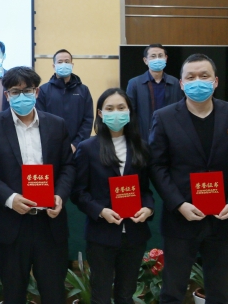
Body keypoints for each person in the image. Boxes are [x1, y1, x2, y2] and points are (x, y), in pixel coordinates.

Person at [150, 54, 228, 304]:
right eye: (191, 77)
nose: (198, 81)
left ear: (215, 81)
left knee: (219, 293)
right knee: (172, 291)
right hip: (181, 220)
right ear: (181, 83)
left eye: (204, 76)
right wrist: (179, 204)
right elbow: (156, 166)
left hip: (224, 219)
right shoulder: (164, 117)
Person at [0, 66, 75, 304]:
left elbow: (68, 166)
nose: (22, 96)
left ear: (37, 92)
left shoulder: (57, 124)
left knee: (54, 293)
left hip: (49, 223)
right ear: (7, 95)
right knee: (13, 294)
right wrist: (10, 199)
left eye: (27, 90)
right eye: (15, 91)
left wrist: (60, 195)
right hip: (10, 223)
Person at [71, 88, 154, 304]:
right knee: (100, 295)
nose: (115, 113)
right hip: (102, 234)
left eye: (121, 107)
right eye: (109, 108)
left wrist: (148, 208)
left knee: (126, 294)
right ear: (100, 113)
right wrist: (100, 211)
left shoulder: (141, 147)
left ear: (129, 111)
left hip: (134, 233)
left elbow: (145, 189)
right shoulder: (88, 148)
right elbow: (78, 192)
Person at [36, 49, 93, 152]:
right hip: (51, 148)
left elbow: (88, 120)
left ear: (72, 65)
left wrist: (76, 145)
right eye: (60, 62)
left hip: (78, 149)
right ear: (54, 66)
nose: (64, 64)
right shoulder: (43, 91)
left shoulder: (83, 90)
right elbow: (41, 121)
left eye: (67, 62)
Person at [126, 44, 181, 142]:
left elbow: (180, 110)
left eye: (160, 56)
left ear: (166, 58)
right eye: (153, 56)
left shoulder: (175, 82)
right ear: (145, 60)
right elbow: (130, 113)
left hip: (170, 136)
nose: (157, 59)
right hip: (143, 138)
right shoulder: (134, 83)